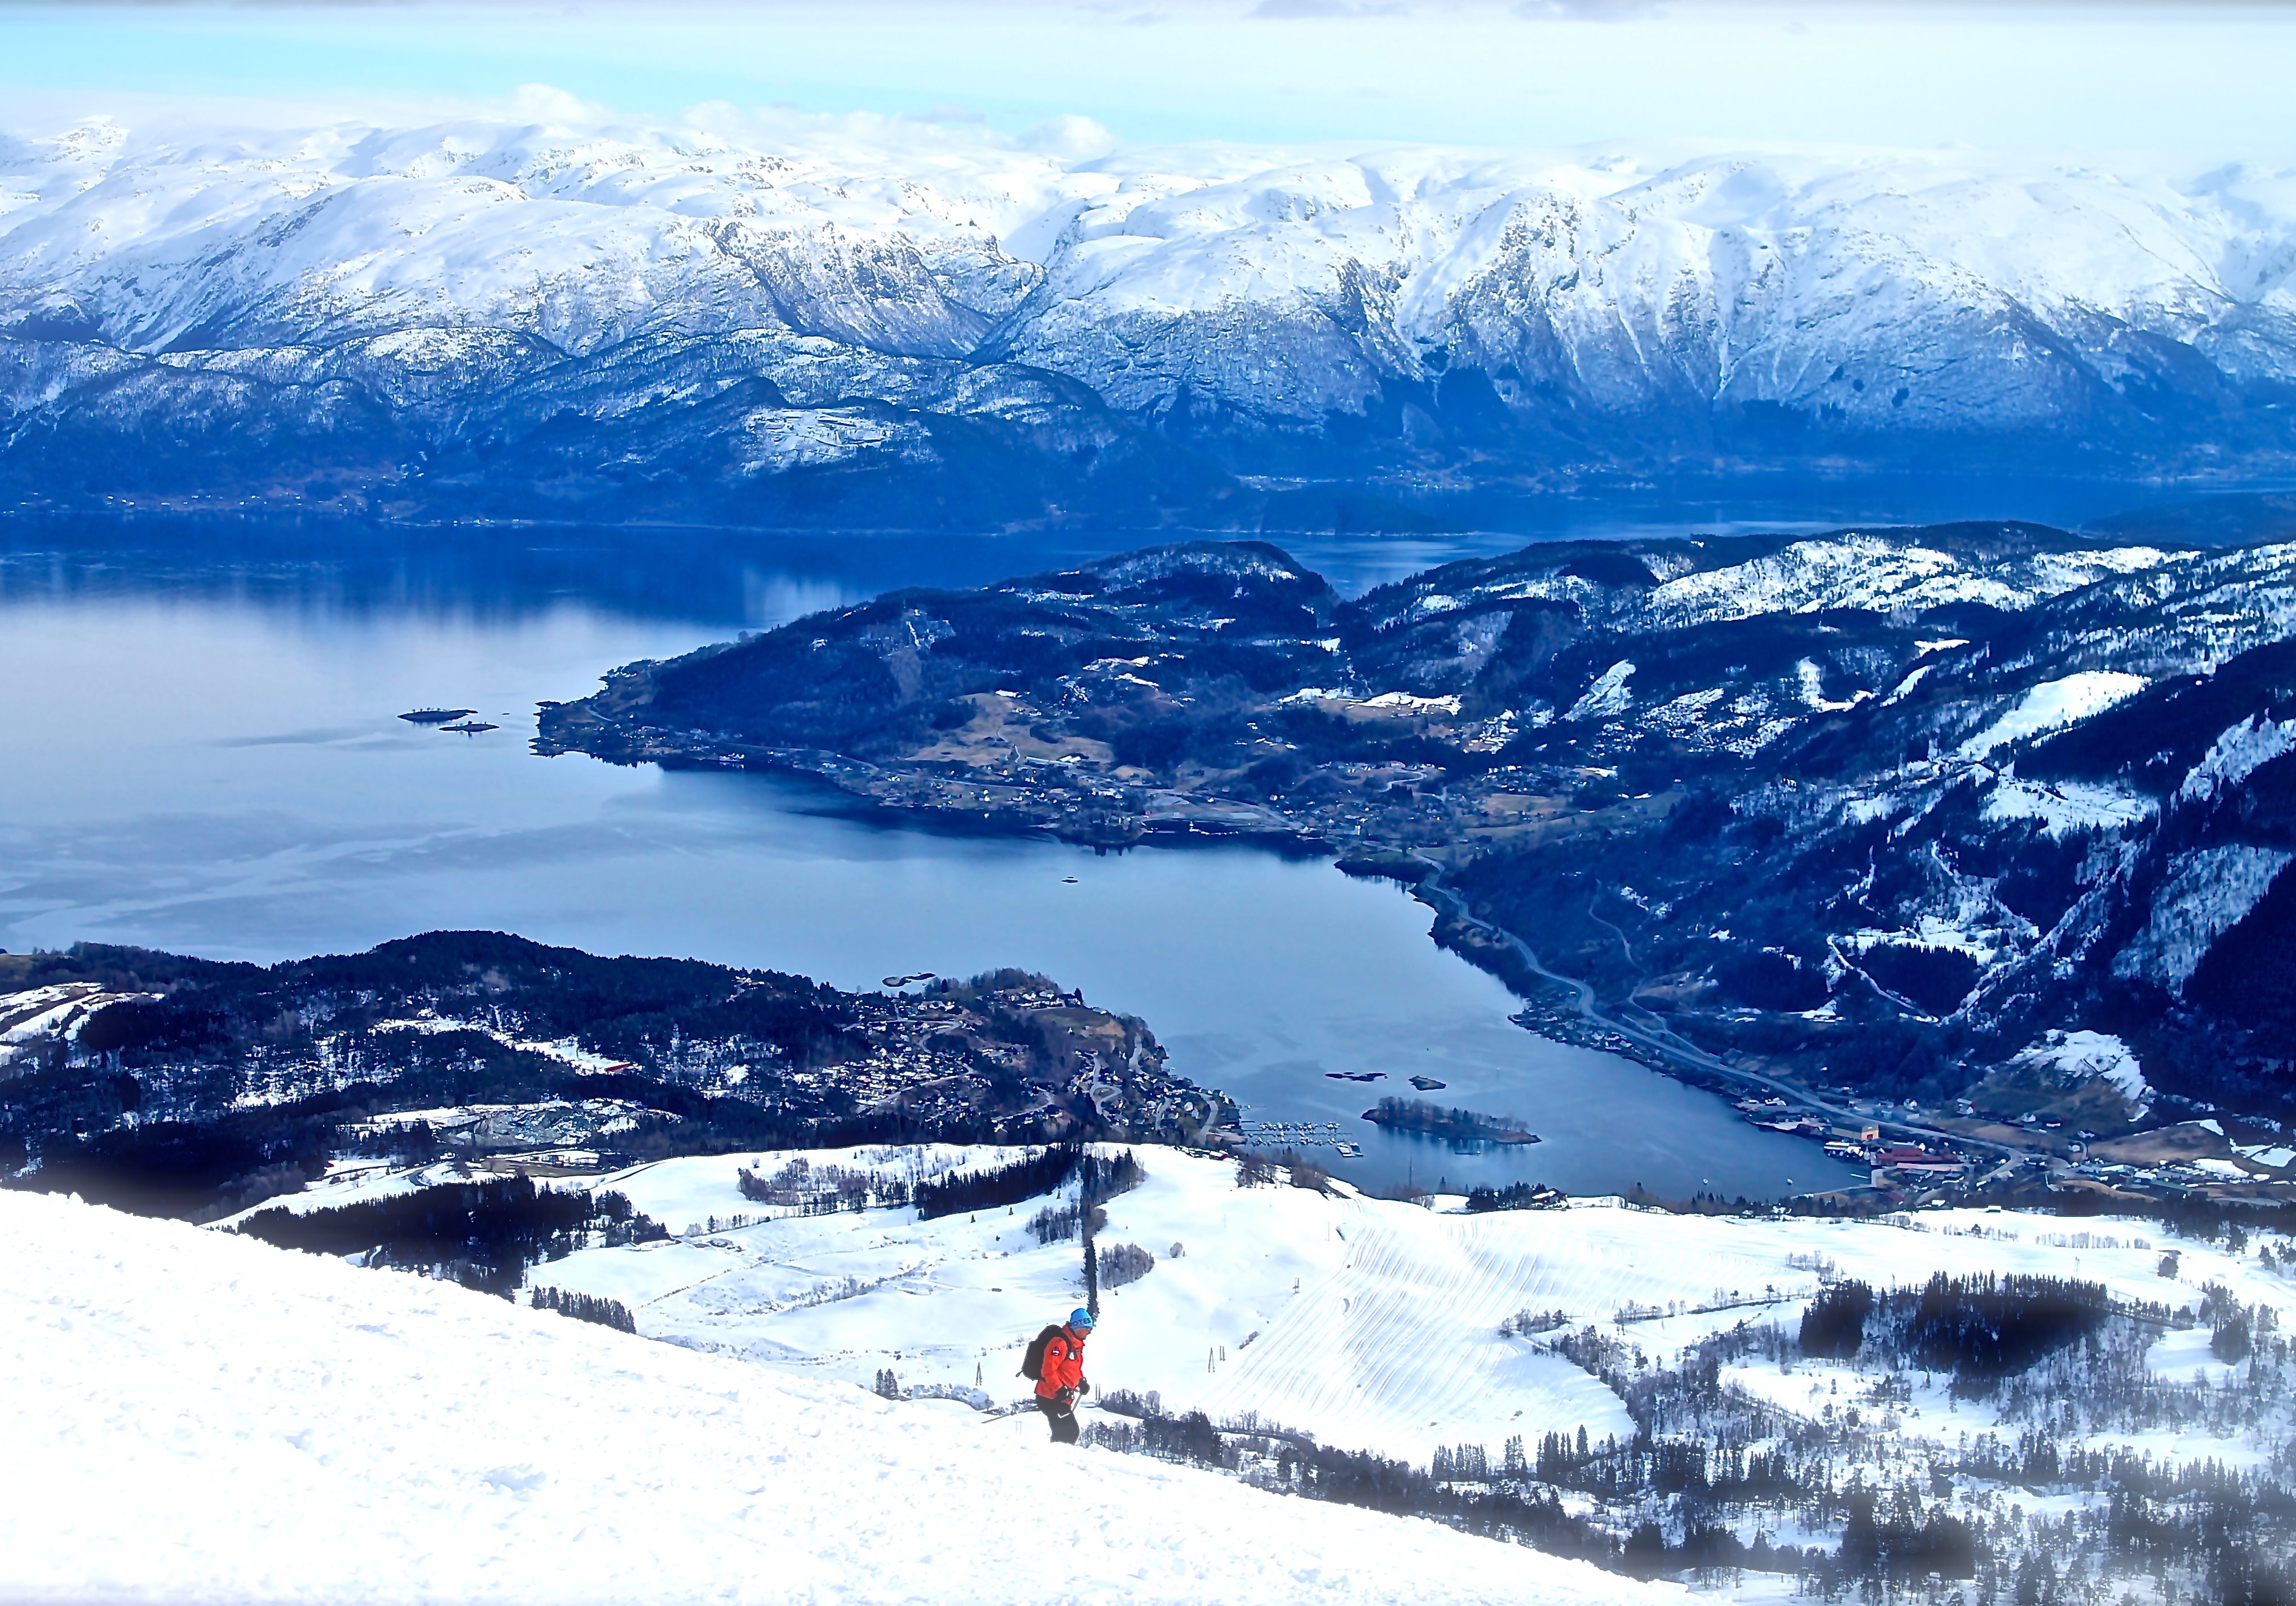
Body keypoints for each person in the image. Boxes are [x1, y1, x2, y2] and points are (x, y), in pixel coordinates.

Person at [1034, 1306, 1094, 1444]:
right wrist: (1060, 1389)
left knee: (1067, 1433)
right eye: (1088, 1329)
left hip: (1060, 1397)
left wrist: (1080, 1382)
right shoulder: (1060, 1343)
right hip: (1050, 1397)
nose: (1089, 1332)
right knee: (1068, 1433)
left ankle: (1055, 1459)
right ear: (1079, 1326)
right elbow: (1048, 1370)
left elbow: (1072, 1368)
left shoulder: (1075, 1346)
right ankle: (1055, 1461)